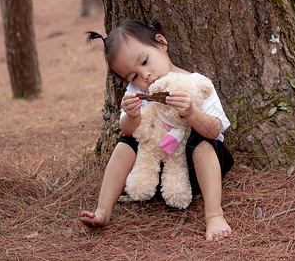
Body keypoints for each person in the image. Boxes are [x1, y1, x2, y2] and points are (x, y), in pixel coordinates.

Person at [79, 19, 234, 241]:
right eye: (133, 76)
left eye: (144, 61)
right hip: (156, 170)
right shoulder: (137, 92)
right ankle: (103, 210)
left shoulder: (197, 83)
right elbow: (130, 132)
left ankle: (215, 215)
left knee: (202, 142)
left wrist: (192, 113)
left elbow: (215, 129)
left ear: (161, 43)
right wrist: (132, 116)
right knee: (125, 144)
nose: (145, 76)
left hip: (194, 168)